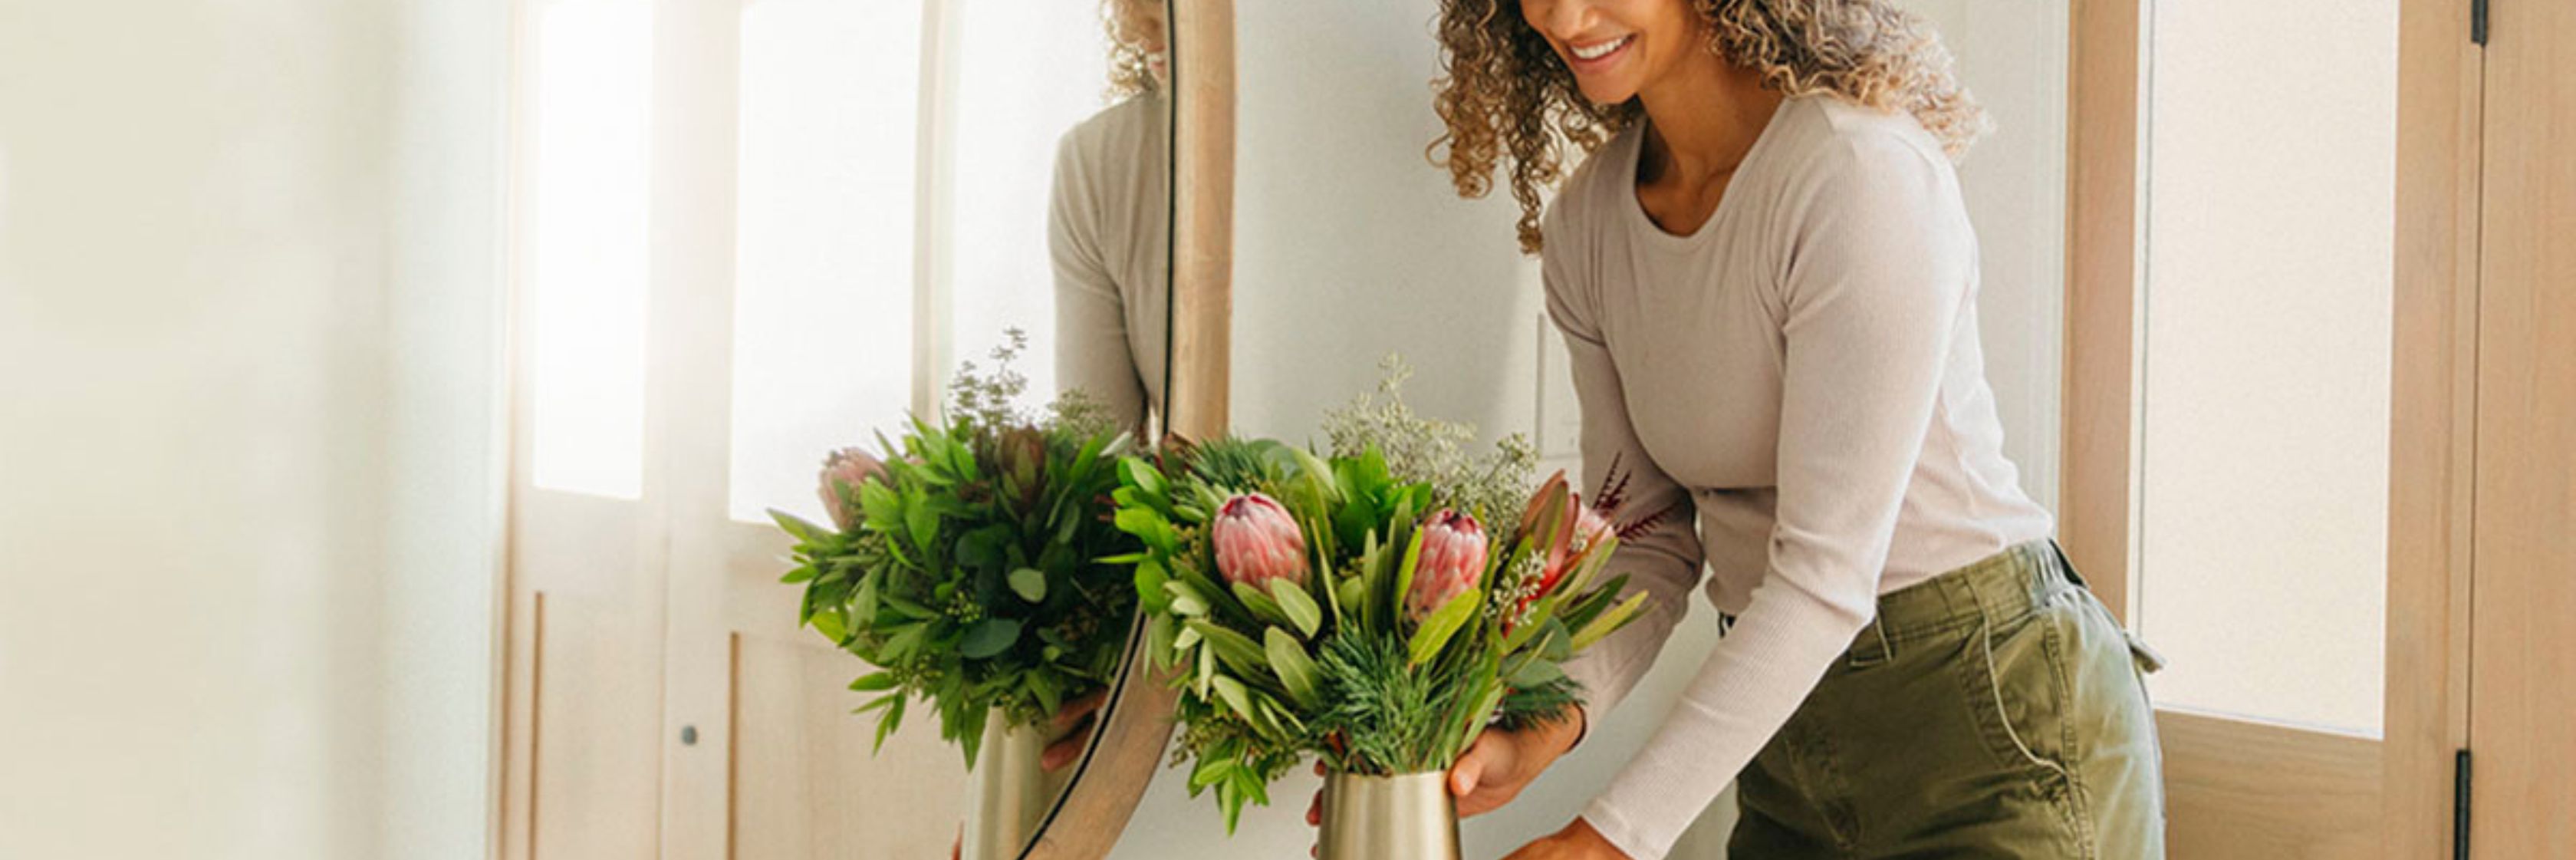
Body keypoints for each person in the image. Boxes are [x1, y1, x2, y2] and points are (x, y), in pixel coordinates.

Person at [1403, 2, 2168, 858]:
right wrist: (1533, 730)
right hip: (1788, 735)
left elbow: (1823, 572)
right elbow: (1644, 537)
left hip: (1989, 725)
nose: (1563, 14)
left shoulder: (1856, 174)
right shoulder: (1588, 224)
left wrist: (1611, 836)